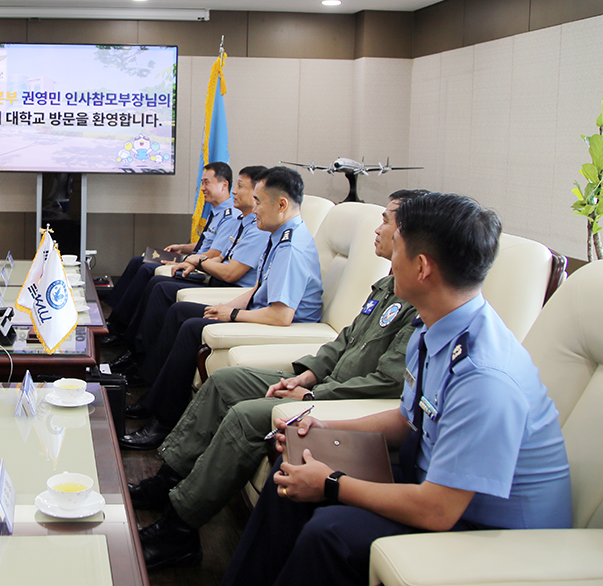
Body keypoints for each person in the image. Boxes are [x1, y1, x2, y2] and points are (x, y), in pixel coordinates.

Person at [222, 192, 572, 586]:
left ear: (422, 267)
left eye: (398, 247)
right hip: (437, 485)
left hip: (493, 533)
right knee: (291, 479)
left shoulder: (484, 376)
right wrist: (326, 432)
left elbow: (438, 511)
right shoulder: (434, 328)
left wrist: (332, 484)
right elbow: (410, 419)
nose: (389, 257)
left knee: (330, 533)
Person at [131, 190, 426, 571]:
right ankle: (169, 479)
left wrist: (315, 390)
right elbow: (344, 342)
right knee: (225, 383)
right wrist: (308, 372)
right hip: (322, 380)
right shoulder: (389, 286)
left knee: (245, 415)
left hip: (338, 397)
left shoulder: (418, 301)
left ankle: (179, 527)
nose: (378, 227)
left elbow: (387, 382)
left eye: (386, 220)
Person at [121, 165, 323, 449]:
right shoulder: (280, 234)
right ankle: (152, 398)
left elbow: (281, 316)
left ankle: (163, 422)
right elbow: (258, 289)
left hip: (286, 328)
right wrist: (225, 307)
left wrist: (234, 314)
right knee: (183, 312)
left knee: (192, 328)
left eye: (259, 202)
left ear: (281, 204)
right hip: (262, 312)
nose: (254, 210)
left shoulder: (292, 247)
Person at [111, 165, 270, 374]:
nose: (234, 192)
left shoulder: (252, 225)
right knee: (143, 267)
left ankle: (135, 350)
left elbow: (229, 270)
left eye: (240, 187)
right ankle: (123, 335)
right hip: (215, 273)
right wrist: (189, 255)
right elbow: (221, 254)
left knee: (157, 283)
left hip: (227, 283)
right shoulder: (241, 220)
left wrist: (195, 261)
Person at [104, 162, 239, 341]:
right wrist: (182, 248)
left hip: (201, 265)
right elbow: (205, 243)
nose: (203, 188)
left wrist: (185, 260)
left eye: (207, 183)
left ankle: (121, 327)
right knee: (139, 260)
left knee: (146, 270)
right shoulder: (217, 211)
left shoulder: (230, 215)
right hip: (193, 258)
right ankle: (115, 319)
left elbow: (214, 253)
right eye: (202, 183)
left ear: (224, 185)